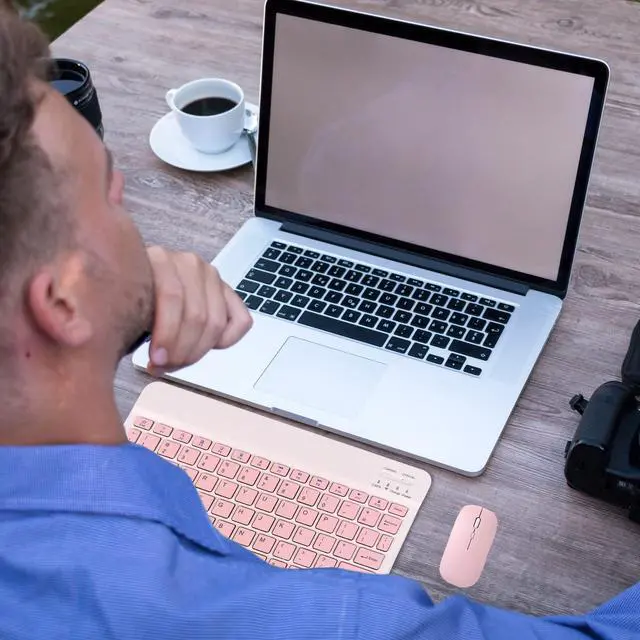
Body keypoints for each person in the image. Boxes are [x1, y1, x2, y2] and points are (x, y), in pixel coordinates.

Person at [0, 7, 637, 639]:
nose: (127, 202)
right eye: (110, 191)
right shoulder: (302, 619)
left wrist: (119, 305)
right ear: (62, 304)